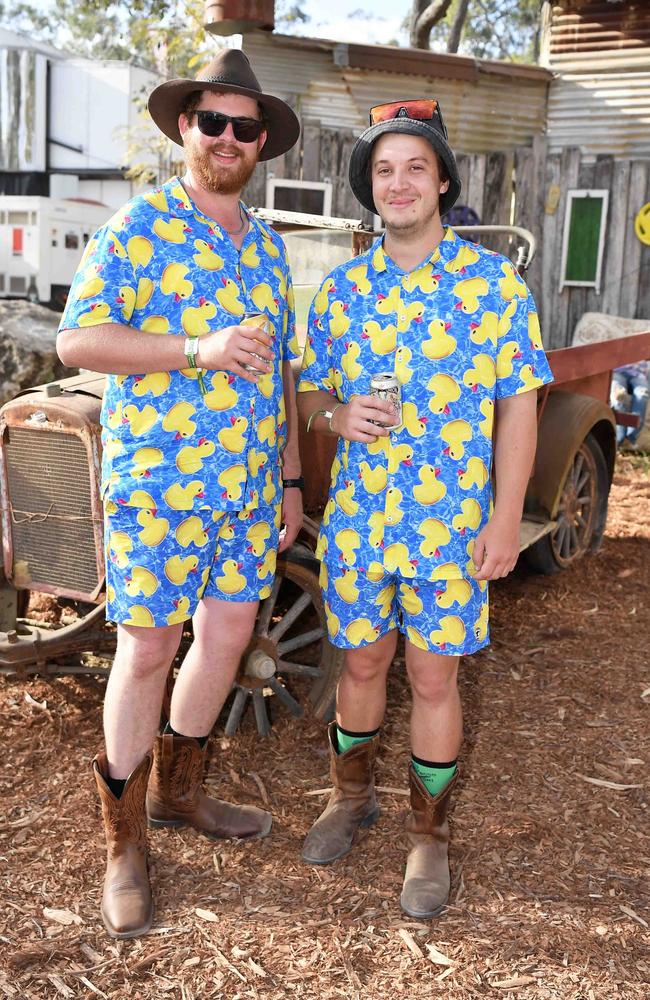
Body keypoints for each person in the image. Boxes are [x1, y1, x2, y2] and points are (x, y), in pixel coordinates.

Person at [56, 49, 303, 939]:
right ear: (185, 130)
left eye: (244, 126)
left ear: (261, 141)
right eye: (212, 122)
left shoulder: (273, 251)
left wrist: (289, 479)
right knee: (149, 645)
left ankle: (176, 793)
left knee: (230, 634)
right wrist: (194, 349)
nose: (228, 137)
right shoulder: (137, 230)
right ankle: (123, 843)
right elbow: (76, 343)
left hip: (246, 492)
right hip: (159, 487)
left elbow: (277, 377)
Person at [297, 98, 554, 919]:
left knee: (432, 676)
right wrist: (331, 415)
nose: (399, 182)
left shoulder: (492, 286)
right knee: (363, 665)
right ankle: (350, 796)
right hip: (361, 521)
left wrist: (506, 514)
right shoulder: (341, 291)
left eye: (415, 167)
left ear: (442, 181)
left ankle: (428, 836)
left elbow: (521, 404)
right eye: (383, 170)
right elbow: (308, 388)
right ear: (369, 190)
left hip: (449, 526)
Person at [610, 361, 649, 450]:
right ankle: (619, 438)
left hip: (638, 373)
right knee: (618, 396)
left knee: (642, 395)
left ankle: (630, 437)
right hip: (618, 369)